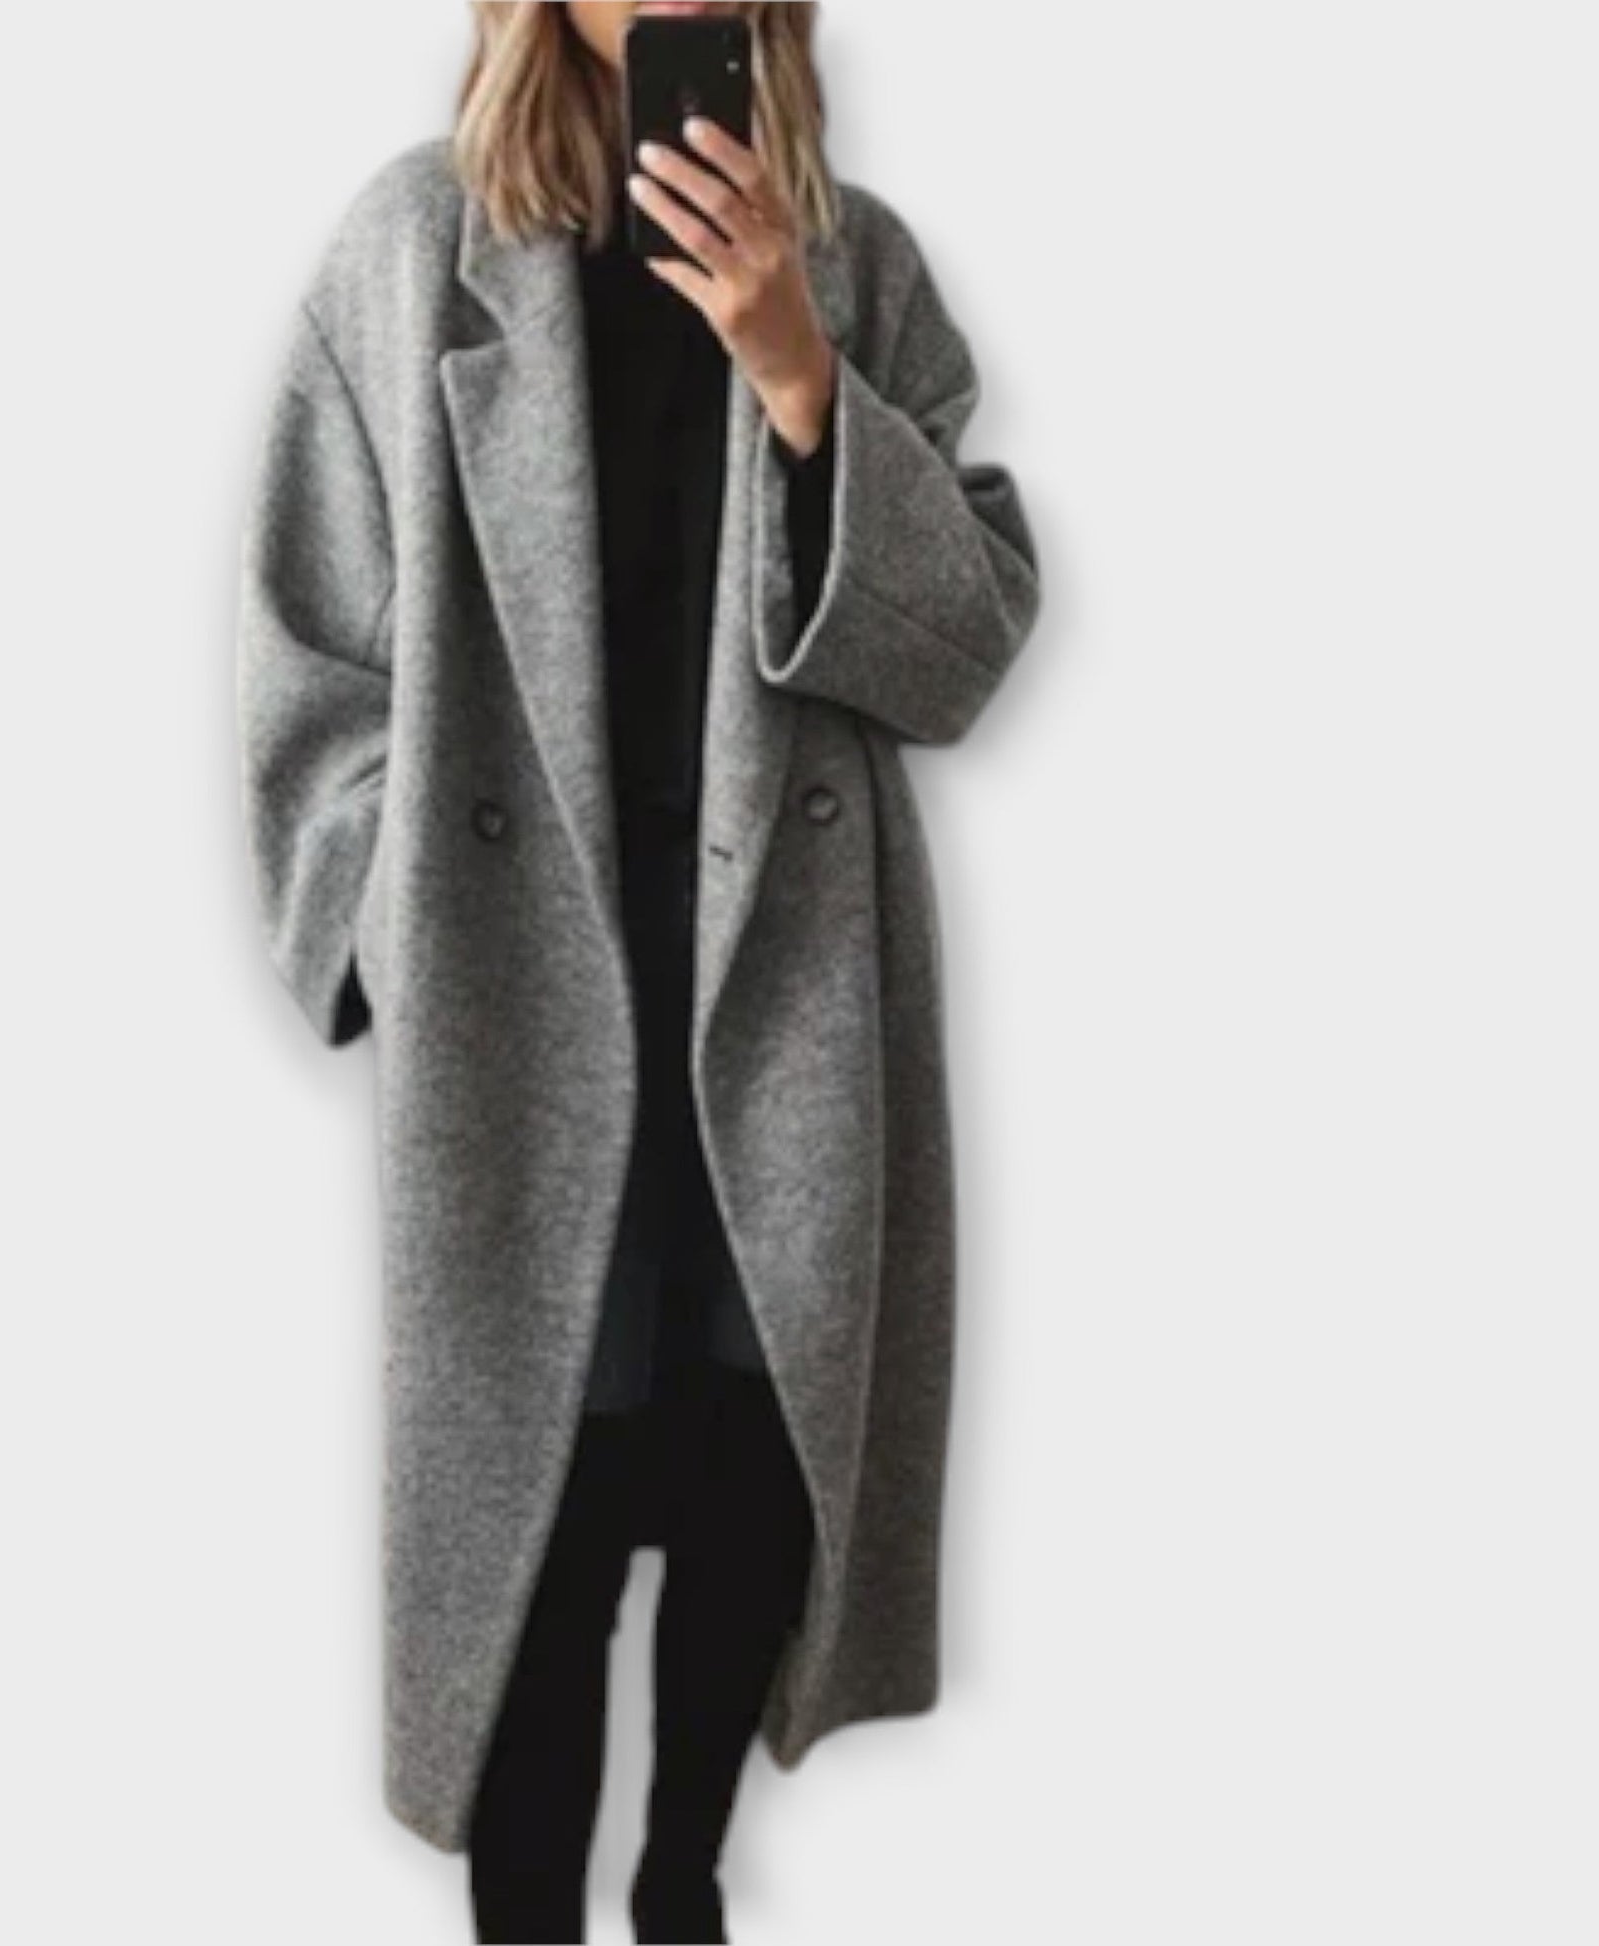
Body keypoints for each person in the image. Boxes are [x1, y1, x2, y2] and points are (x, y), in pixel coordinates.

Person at [235, 4, 1042, 1940]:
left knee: (752, 1464)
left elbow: (962, 647)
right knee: (540, 1511)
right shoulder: (409, 251)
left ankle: (683, 1888)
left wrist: (799, 372)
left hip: (777, 982)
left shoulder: (852, 264)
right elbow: (311, 653)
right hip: (525, 993)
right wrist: (391, 924)